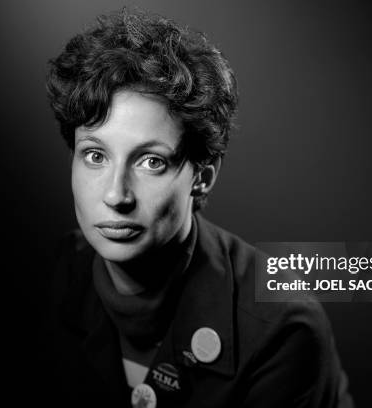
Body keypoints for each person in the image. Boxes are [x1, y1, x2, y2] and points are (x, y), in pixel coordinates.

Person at [44, 8, 353, 407]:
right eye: (95, 156)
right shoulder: (47, 274)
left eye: (151, 161)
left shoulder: (283, 328)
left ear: (202, 177)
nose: (116, 196)